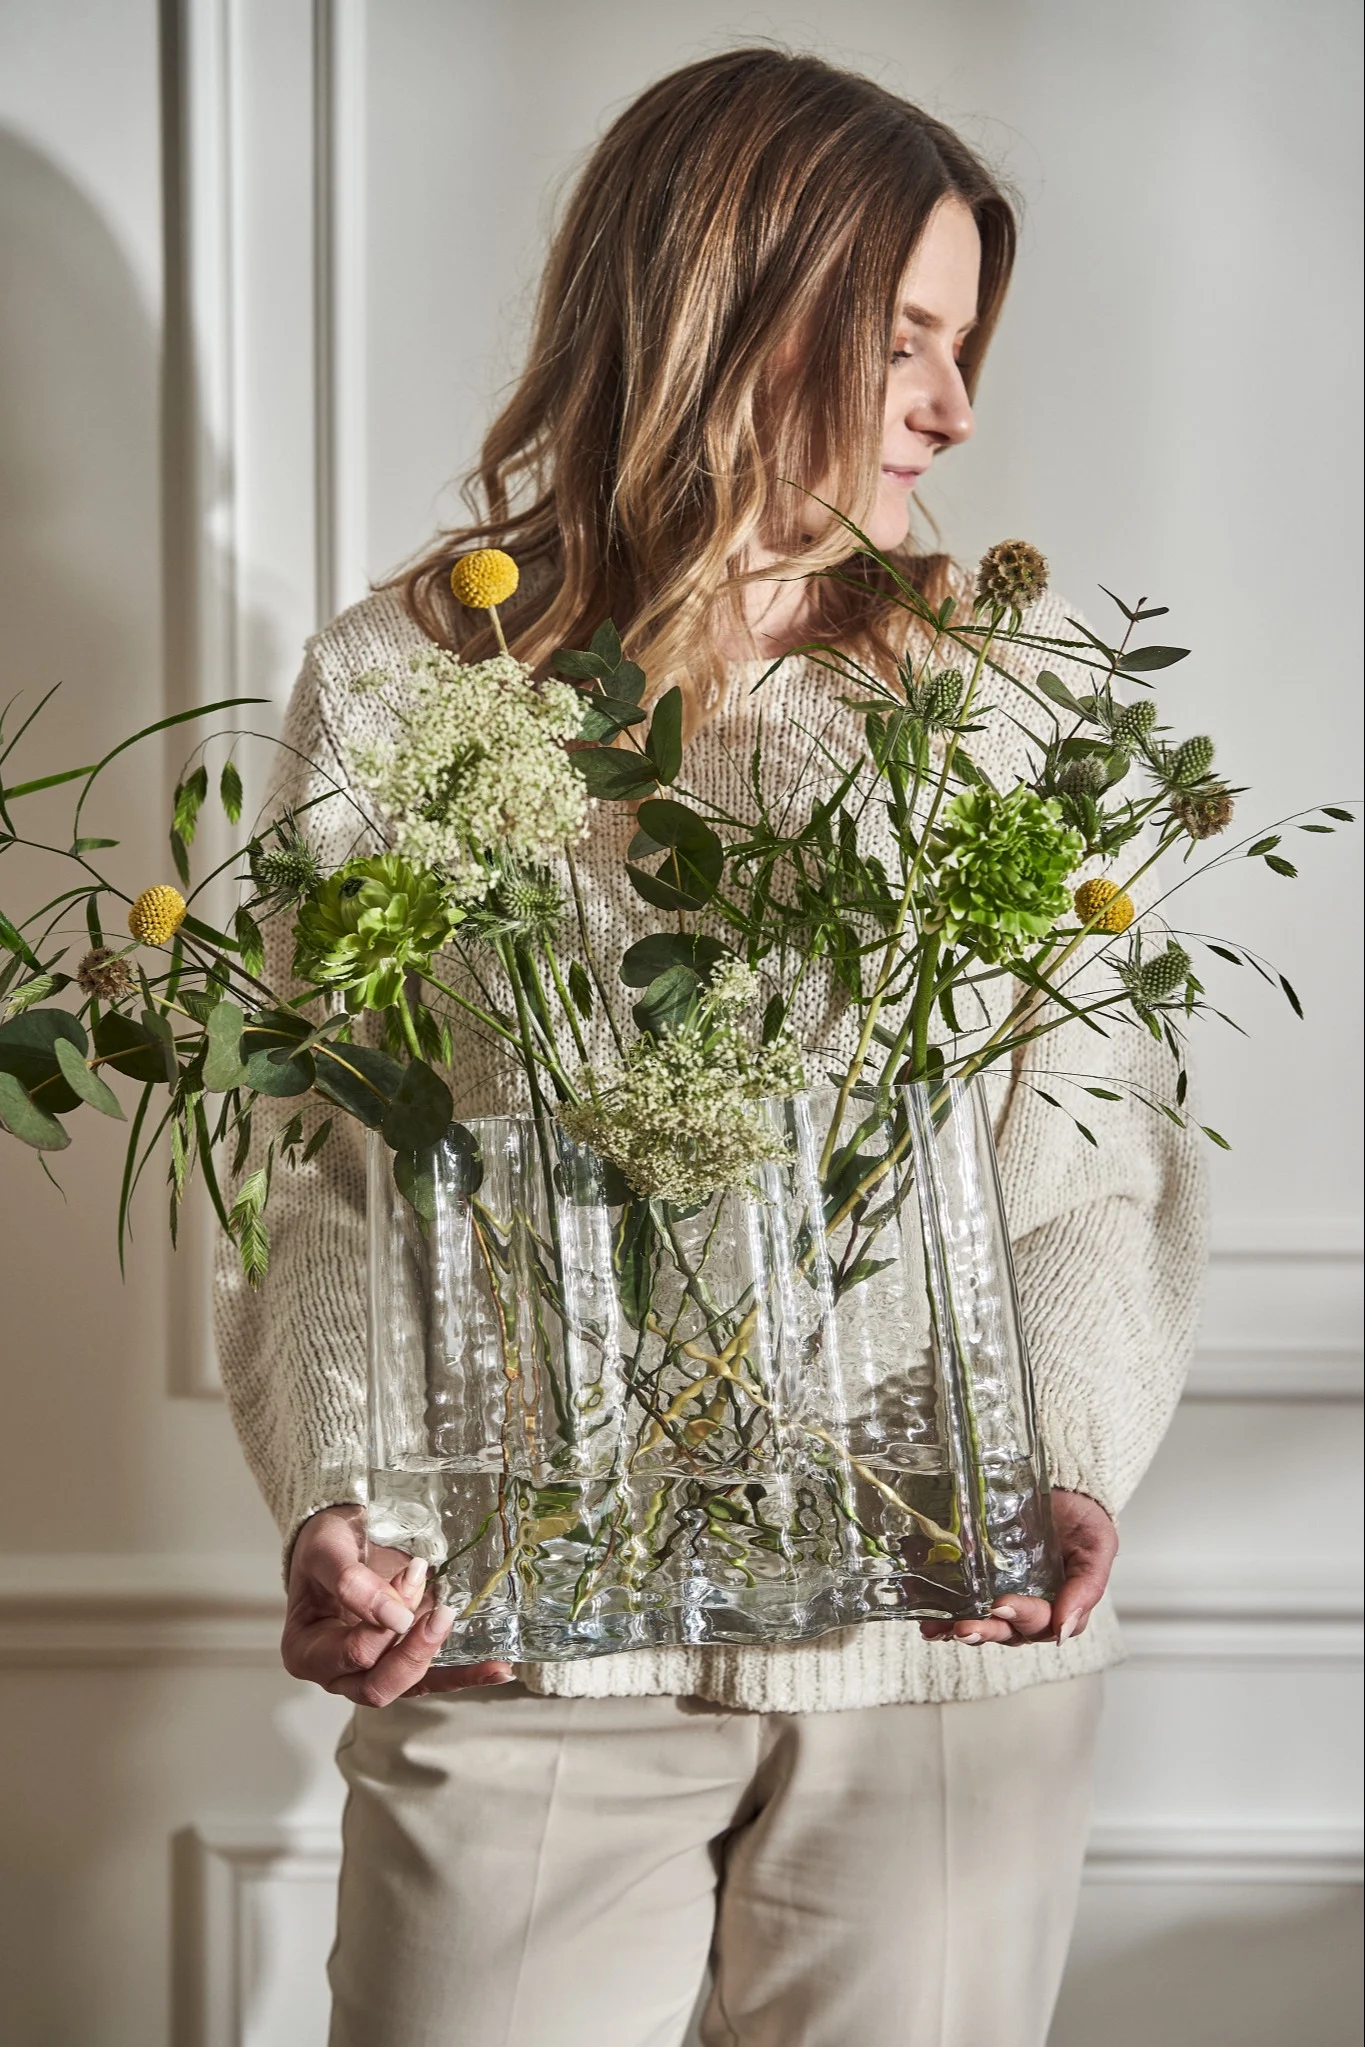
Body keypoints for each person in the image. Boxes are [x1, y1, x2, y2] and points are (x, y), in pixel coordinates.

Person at [215, 47, 1206, 2047]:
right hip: (518, 1660)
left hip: (942, 1654)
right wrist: (335, 1498)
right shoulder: (405, 685)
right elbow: (323, 1157)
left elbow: (1085, 1151)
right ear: (729, 313)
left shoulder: (1009, 705)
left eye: (962, 343)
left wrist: (1070, 1461)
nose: (955, 405)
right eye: (905, 338)